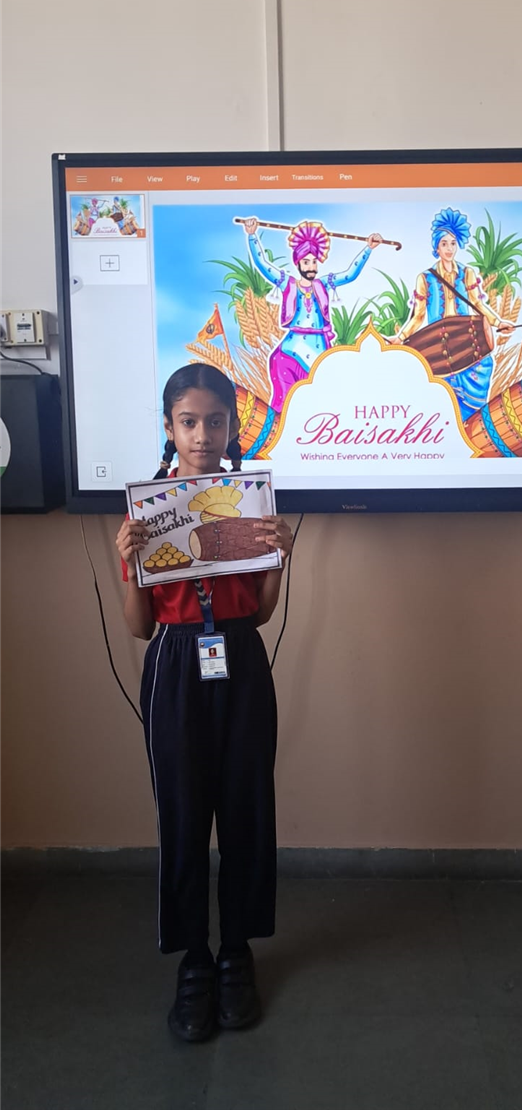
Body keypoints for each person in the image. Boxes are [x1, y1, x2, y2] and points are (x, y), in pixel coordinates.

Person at [115, 363, 293, 1044]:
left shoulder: (247, 503)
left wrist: (278, 559)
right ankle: (194, 959)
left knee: (246, 807)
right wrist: (129, 565)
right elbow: (139, 627)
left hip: (240, 657)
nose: (202, 435)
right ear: (170, 427)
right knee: (184, 813)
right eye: (188, 422)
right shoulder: (147, 513)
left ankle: (236, 952)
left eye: (215, 421)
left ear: (230, 426)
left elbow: (263, 613)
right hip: (174, 663)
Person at [242, 217, 383, 411]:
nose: (311, 267)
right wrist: (252, 236)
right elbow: (264, 265)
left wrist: (368, 249)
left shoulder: (322, 285)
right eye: (306, 262)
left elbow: (349, 274)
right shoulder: (288, 284)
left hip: (320, 354)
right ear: (298, 264)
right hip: (290, 355)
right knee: (285, 406)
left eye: (314, 262)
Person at [395, 208, 513, 419]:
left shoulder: (467, 273)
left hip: (467, 339)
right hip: (438, 344)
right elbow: (418, 316)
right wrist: (400, 337)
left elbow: (477, 303)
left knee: (483, 368)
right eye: (444, 244)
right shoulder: (425, 278)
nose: (449, 249)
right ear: (436, 247)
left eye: (452, 243)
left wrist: (498, 322)